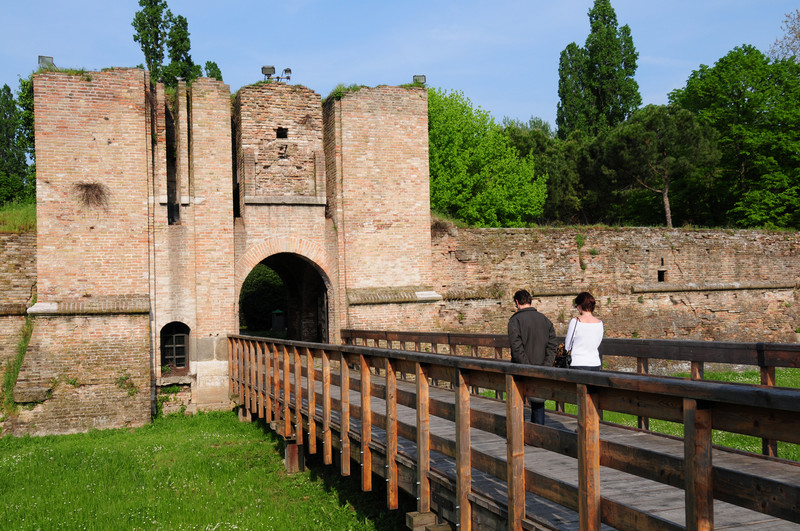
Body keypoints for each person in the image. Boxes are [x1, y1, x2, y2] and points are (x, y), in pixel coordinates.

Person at [507, 289, 558, 424]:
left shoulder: (515, 321)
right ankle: (539, 434)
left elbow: (517, 348)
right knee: (538, 403)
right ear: (530, 301)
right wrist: (545, 366)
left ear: (517, 302)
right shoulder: (545, 320)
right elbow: (553, 346)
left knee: (517, 403)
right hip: (541, 367)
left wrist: (527, 368)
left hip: (521, 368)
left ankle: (519, 435)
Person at [565, 291, 604, 371]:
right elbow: (598, 342)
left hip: (578, 362)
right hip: (595, 363)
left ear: (580, 306)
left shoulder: (575, 321)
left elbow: (568, 345)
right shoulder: (599, 323)